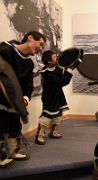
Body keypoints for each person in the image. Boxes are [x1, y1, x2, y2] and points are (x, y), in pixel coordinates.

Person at [0, 31, 46, 167]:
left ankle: (13, 152)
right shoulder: (5, 51)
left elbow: (28, 85)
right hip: (1, 100)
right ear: (30, 38)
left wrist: (25, 98)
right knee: (1, 127)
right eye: (41, 44)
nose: (41, 48)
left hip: (15, 103)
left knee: (15, 126)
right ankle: (1, 157)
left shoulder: (29, 64)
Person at [35, 50, 73, 145]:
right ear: (49, 61)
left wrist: (69, 66)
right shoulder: (45, 73)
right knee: (47, 116)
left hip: (58, 95)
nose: (57, 58)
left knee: (58, 114)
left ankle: (53, 132)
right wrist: (70, 70)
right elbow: (61, 82)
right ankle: (39, 135)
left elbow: (63, 78)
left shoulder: (58, 68)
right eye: (55, 57)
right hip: (49, 97)